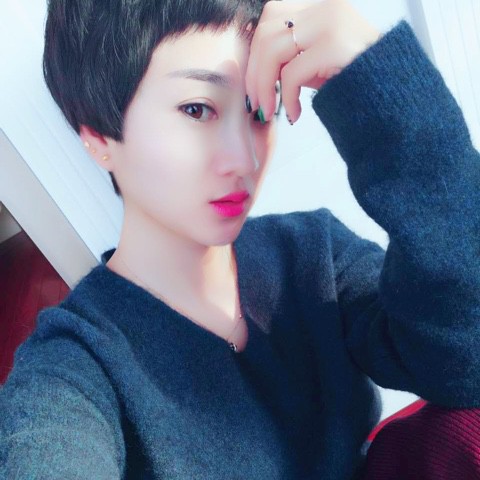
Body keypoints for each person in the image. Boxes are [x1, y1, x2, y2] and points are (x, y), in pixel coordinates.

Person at [0, 0, 479, 478]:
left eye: (258, 111)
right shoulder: (74, 368)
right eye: (197, 109)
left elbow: (463, 356)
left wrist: (390, 96)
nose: (245, 160)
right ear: (99, 138)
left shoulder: (313, 253)